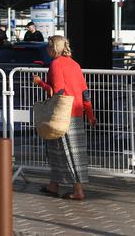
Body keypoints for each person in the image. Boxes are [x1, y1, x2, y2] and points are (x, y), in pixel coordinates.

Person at [33, 35, 96, 201]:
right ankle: (53, 186)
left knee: (64, 152)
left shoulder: (56, 64)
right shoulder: (75, 64)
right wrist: (90, 114)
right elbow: (84, 91)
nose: (47, 50)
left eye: (48, 47)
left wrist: (39, 82)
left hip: (62, 115)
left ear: (54, 48)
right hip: (77, 112)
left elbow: (56, 91)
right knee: (64, 151)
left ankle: (78, 191)